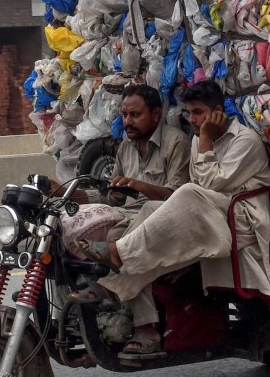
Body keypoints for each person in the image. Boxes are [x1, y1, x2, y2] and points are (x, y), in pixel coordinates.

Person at [79, 80, 270, 355]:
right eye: (189, 113)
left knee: (186, 193)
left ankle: (117, 257)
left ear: (218, 111)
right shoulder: (196, 140)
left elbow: (206, 186)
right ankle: (115, 287)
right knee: (151, 210)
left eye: (198, 113)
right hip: (211, 213)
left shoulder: (244, 141)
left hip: (241, 220)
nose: (193, 120)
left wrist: (206, 138)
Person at [57, 84, 190, 351]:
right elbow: (112, 198)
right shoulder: (126, 147)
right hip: (129, 214)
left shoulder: (176, 142)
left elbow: (179, 196)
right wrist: (68, 193)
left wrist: (139, 186)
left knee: (120, 239)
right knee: (66, 232)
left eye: (135, 115)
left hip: (166, 218)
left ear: (155, 114)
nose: (127, 122)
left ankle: (145, 329)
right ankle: (79, 312)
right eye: (124, 115)